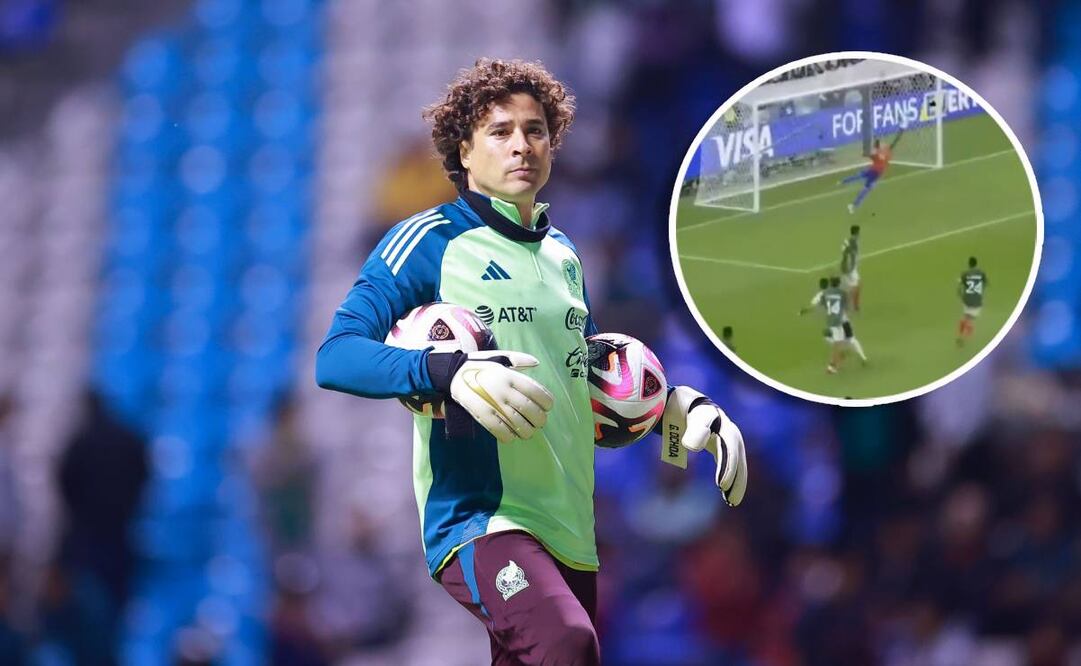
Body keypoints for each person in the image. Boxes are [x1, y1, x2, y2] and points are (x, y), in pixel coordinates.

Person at [314, 58, 748, 665]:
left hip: (570, 533)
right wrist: (449, 372)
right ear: (463, 150)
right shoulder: (428, 241)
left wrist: (668, 410)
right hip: (482, 523)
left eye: (536, 130)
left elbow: (587, 383)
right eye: (500, 131)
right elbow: (335, 357)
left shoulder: (564, 256)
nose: (522, 145)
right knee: (567, 644)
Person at [840, 130, 903, 213]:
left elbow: (894, 142)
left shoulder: (882, 151)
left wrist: (901, 131)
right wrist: (901, 131)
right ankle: (853, 202)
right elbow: (894, 142)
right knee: (865, 187)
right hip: (874, 173)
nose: (882, 144)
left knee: (861, 180)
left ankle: (844, 184)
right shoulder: (883, 151)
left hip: (874, 172)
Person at [957, 256, 988, 347]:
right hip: (977, 300)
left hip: (967, 299)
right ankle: (964, 337)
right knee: (970, 319)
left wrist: (961, 296)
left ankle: (962, 335)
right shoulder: (981, 273)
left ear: (969, 264)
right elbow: (985, 284)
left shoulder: (965, 274)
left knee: (966, 317)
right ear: (976, 264)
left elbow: (959, 287)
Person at [840, 224, 861, 313]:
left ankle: (847, 305)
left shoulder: (847, 241)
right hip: (850, 268)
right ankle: (854, 306)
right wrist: (851, 268)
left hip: (846, 267)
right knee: (855, 287)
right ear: (856, 232)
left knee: (848, 287)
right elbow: (852, 254)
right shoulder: (853, 242)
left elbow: (844, 252)